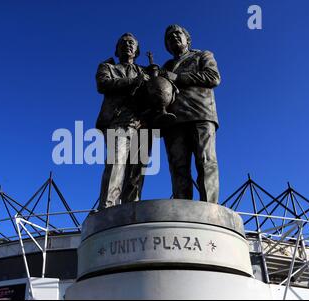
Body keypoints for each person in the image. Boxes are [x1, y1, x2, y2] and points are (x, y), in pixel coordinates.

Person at [161, 24, 221, 203]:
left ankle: (210, 207)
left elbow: (213, 77)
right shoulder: (167, 65)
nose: (174, 38)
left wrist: (178, 78)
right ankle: (182, 207)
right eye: (169, 38)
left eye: (177, 34)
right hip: (174, 121)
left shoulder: (202, 55)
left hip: (200, 114)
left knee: (205, 162)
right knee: (178, 166)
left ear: (188, 39)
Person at [95, 33, 150, 209]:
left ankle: (131, 208)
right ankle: (108, 208)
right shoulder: (108, 67)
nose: (128, 45)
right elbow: (103, 84)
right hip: (118, 121)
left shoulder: (145, 71)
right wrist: (133, 82)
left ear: (137, 50)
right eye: (123, 43)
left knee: (137, 171)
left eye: (131, 43)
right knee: (116, 164)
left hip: (142, 124)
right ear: (117, 50)